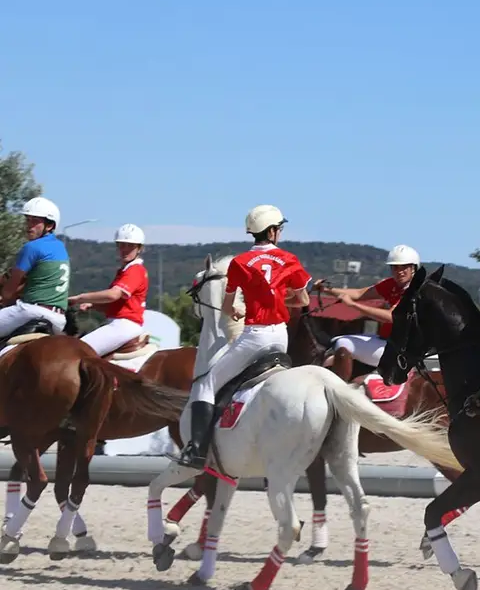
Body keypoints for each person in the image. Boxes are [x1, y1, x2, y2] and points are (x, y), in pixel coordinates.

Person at [170, 204, 312, 470]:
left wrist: (236, 310)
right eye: (279, 229)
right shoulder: (289, 259)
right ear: (271, 232)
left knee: (207, 383)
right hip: (280, 338)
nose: (279, 232)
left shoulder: (239, 263)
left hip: (254, 337)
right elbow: (303, 299)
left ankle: (197, 451)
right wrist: (279, 298)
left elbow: (227, 308)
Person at [316, 244, 420, 372]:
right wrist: (327, 290)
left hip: (400, 350)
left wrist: (353, 305)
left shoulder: (414, 291)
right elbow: (359, 294)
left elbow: (391, 317)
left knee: (343, 343)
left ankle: (339, 387)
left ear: (414, 268)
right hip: (385, 341)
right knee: (336, 340)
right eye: (395, 267)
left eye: (404, 267)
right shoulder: (392, 284)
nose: (399, 271)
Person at [69, 224, 150, 357]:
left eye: (130, 246)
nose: (125, 249)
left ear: (139, 248)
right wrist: (94, 305)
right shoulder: (126, 270)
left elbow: (113, 295)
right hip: (119, 324)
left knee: (76, 352)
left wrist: (80, 298)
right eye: (121, 245)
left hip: (123, 326)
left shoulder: (134, 270)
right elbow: (118, 303)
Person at [0, 197, 70, 342]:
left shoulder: (31, 247)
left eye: (35, 221)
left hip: (31, 312)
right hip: (59, 320)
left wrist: (4, 297)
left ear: (49, 226)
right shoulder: (60, 247)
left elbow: (8, 292)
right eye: (28, 220)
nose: (29, 226)